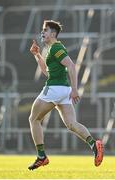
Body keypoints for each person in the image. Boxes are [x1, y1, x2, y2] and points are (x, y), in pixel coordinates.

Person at [28, 20, 103, 170]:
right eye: (42, 30)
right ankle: (94, 144)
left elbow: (71, 65)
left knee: (34, 119)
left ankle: (41, 156)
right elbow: (47, 72)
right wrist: (37, 54)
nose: (42, 32)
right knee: (71, 124)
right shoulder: (50, 49)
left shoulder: (56, 47)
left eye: (46, 30)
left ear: (53, 33)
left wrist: (75, 89)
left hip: (55, 89)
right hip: (63, 91)